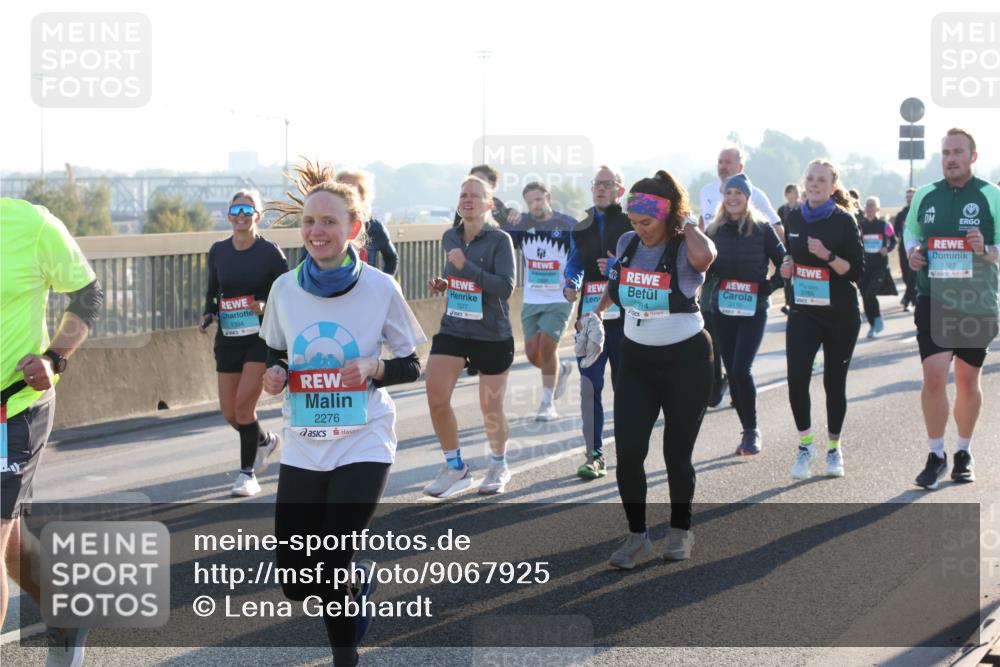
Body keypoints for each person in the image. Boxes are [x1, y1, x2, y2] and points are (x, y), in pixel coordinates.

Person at [261, 160, 426, 666]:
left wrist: (375, 367)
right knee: (293, 576)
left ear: (354, 229)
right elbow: (277, 352)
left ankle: (344, 657)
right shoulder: (284, 288)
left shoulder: (380, 287)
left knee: (334, 554)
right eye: (310, 221)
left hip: (363, 437)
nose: (317, 231)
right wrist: (276, 374)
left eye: (329, 222)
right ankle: (359, 580)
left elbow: (412, 363)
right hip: (307, 440)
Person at [588, 171, 716, 569]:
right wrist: (593, 317)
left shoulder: (685, 243)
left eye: (647, 222)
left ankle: (681, 529)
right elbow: (616, 285)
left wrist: (686, 220)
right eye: (634, 221)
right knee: (628, 451)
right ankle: (637, 536)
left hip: (687, 360)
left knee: (676, 453)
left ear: (669, 217)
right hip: (637, 360)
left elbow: (706, 258)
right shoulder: (627, 243)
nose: (639, 230)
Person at [1, 198, 104, 666]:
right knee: (10, 537)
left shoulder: (31, 224)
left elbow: (89, 295)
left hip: (11, 408)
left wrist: (54, 356)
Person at [905, 128, 1000, 489]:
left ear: (972, 157)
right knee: (933, 376)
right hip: (934, 297)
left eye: (958, 152)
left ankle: (962, 450)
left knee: (966, 380)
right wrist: (913, 254)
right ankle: (935, 454)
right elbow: (911, 232)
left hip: (977, 300)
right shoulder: (926, 196)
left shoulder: (991, 196)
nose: (950, 158)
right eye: (945, 152)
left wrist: (987, 249)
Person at [424, 175, 517, 497]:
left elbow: (504, 288)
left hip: (491, 334)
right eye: (463, 195)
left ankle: (498, 464)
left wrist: (467, 266)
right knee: (436, 398)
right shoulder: (450, 236)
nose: (467, 200)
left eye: (475, 196)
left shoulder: (500, 240)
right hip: (454, 328)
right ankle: (455, 466)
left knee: (490, 408)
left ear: (488, 204)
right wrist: (444, 284)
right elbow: (459, 279)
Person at [199, 189, 288, 497]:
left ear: (258, 217)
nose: (240, 215)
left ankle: (247, 474)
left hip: (261, 340)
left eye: (247, 210)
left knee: (243, 407)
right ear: (228, 215)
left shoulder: (270, 253)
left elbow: (286, 294)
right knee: (230, 414)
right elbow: (213, 291)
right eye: (235, 210)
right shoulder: (218, 251)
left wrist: (265, 306)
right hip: (229, 339)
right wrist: (208, 314)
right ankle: (265, 441)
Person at [780, 160, 864, 480]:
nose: (814, 184)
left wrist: (827, 255)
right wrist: (788, 265)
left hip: (840, 313)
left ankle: (833, 449)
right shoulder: (794, 216)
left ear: (832, 186)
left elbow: (856, 270)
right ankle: (805, 446)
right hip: (804, 308)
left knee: (833, 382)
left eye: (821, 180)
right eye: (810, 179)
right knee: (797, 377)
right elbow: (792, 255)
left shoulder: (843, 220)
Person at [705, 174, 786, 455]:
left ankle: (752, 431)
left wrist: (769, 286)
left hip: (754, 309)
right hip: (723, 309)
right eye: (729, 193)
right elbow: (703, 266)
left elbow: (785, 263)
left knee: (741, 369)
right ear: (723, 198)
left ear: (748, 198)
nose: (733, 197)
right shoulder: (713, 231)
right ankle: (745, 428)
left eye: (739, 192)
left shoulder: (763, 229)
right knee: (734, 371)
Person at [699, 146, 781, 408]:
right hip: (715, 282)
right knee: (712, 335)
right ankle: (718, 382)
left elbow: (776, 228)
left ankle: (736, 386)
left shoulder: (756, 195)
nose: (722, 166)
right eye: (720, 161)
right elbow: (704, 227)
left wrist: (757, 257)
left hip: (748, 287)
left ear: (740, 167)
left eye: (728, 162)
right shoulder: (707, 192)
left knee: (738, 359)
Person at [563, 165, 632, 479]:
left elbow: (646, 262)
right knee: (590, 386)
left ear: (620, 188)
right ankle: (595, 456)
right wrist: (571, 282)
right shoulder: (582, 226)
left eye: (608, 184)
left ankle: (629, 450)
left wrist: (618, 267)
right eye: (597, 184)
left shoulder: (632, 223)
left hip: (624, 318)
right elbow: (576, 262)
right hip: (589, 317)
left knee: (625, 388)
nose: (601, 189)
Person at [508, 182, 576, 421]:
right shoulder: (522, 224)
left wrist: (576, 284)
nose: (534, 205)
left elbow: (581, 256)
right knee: (532, 354)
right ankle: (562, 370)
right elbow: (499, 233)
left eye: (538, 200)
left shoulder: (567, 224)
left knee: (547, 347)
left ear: (548, 197)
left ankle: (547, 404)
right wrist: (509, 216)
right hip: (532, 298)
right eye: (529, 202)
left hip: (560, 297)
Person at [335, 169, 398, 275]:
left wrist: (383, 284)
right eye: (340, 189)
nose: (345, 195)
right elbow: (305, 261)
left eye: (351, 190)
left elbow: (392, 259)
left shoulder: (374, 227)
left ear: (363, 196)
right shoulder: (323, 225)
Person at [858, 196, 897, 338]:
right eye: (867, 205)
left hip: (879, 266)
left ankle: (877, 320)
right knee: (864, 296)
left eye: (872, 205)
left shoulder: (884, 225)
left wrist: (887, 248)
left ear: (877, 209)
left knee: (870, 294)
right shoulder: (860, 225)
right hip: (864, 266)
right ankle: (872, 324)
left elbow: (893, 241)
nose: (869, 208)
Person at [452, 164, 518, 229]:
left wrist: (512, 211)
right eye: (473, 180)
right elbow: (455, 232)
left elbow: (505, 215)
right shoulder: (465, 205)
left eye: (480, 180)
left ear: (493, 184)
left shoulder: (497, 203)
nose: (476, 183)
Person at [778, 184, 801, 315]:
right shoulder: (782, 210)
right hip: (786, 246)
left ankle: (798, 301)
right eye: (794, 192)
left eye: (798, 191)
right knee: (786, 276)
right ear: (787, 194)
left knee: (798, 275)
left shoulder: (804, 207)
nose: (796, 194)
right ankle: (789, 303)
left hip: (800, 246)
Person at [894, 187, 918, 311]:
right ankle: (913, 298)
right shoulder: (902, 214)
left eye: (911, 196)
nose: (909, 199)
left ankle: (907, 299)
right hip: (903, 250)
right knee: (905, 275)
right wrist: (896, 238)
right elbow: (895, 230)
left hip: (916, 250)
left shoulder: (920, 211)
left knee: (912, 275)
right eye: (907, 197)